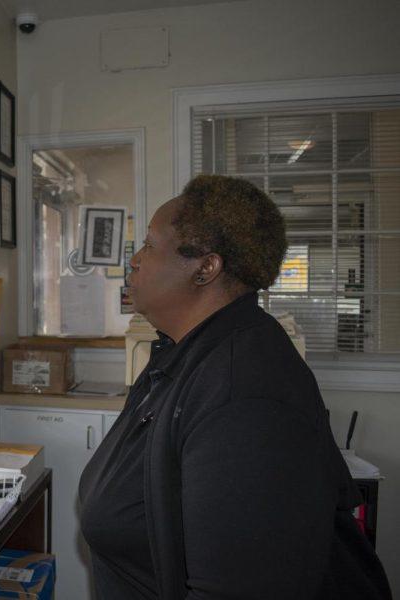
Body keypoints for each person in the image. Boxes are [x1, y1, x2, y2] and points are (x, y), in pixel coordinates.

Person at [78, 175, 392, 599]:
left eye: (150, 245)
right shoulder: (184, 351)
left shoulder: (244, 394)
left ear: (206, 268)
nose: (135, 260)